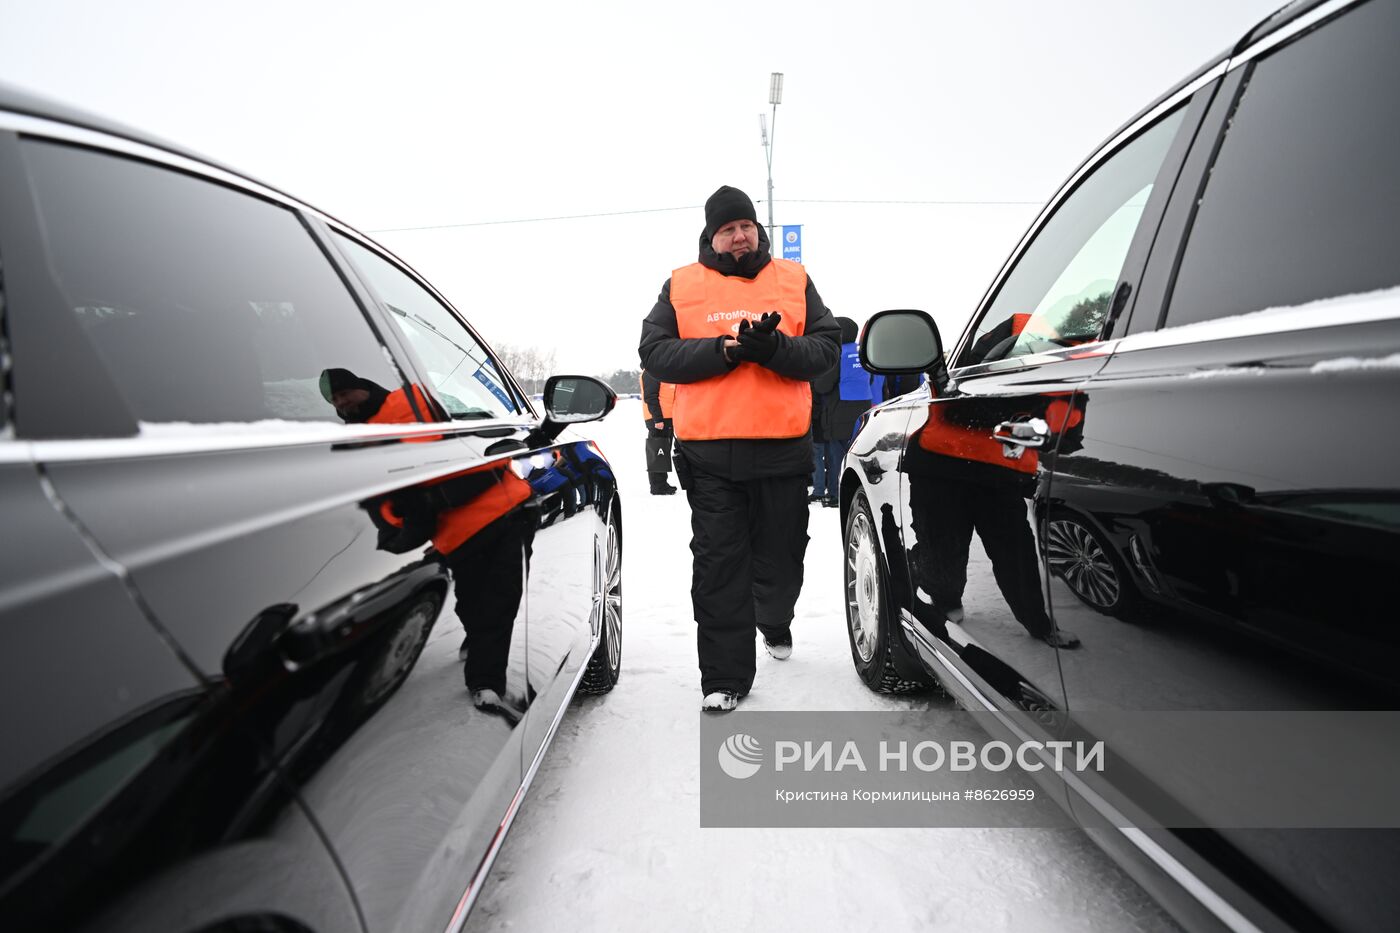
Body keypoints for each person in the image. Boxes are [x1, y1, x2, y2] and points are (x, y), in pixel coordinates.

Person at [638, 185, 841, 712]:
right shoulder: (681, 284)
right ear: (711, 235)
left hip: (783, 451)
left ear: (757, 229)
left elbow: (823, 349)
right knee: (719, 568)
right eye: (727, 228)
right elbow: (655, 352)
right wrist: (723, 351)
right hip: (709, 457)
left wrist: (775, 348)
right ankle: (724, 678)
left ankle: (773, 619)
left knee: (781, 561)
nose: (739, 235)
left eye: (745, 225)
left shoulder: (794, 279)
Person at [640, 369, 679, 495]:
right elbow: (650, 396)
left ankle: (662, 483)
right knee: (658, 452)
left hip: (667, 418)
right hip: (659, 419)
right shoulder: (652, 372)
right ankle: (658, 486)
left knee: (663, 452)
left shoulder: (660, 371)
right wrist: (657, 418)